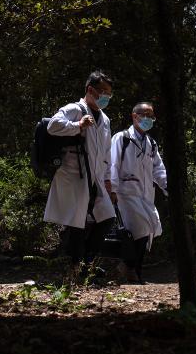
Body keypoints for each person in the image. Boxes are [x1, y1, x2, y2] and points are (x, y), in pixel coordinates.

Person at [43, 71, 116, 278]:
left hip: (96, 177)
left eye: (109, 94)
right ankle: (77, 268)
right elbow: (53, 126)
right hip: (74, 175)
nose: (106, 97)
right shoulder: (75, 109)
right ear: (90, 90)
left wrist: (107, 179)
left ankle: (87, 261)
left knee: (107, 217)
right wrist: (78, 125)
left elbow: (106, 152)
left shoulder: (105, 120)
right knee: (77, 223)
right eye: (103, 92)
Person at [109, 102, 168, 284]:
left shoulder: (151, 143)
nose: (148, 119)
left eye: (151, 116)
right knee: (140, 230)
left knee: (148, 230)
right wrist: (112, 189)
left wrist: (167, 187)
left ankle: (131, 270)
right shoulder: (122, 138)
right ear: (135, 116)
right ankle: (132, 271)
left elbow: (158, 169)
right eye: (145, 115)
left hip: (146, 194)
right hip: (126, 193)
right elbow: (113, 164)